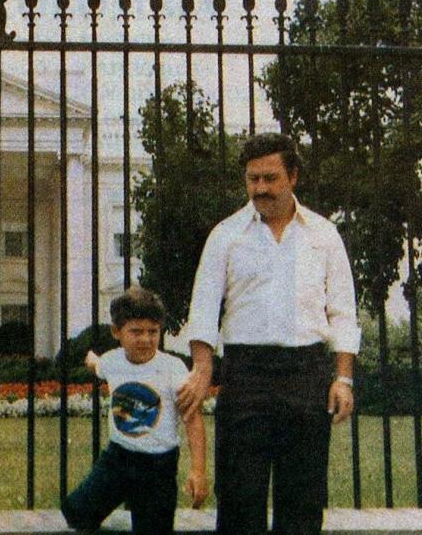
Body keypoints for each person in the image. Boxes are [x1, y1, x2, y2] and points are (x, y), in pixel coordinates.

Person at [178, 132, 360, 534]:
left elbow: (343, 312)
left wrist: (342, 378)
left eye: (270, 178)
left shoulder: (324, 235)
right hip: (246, 377)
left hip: (306, 374)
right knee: (240, 499)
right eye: (252, 179)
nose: (259, 188)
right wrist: (203, 368)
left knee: (303, 500)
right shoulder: (225, 235)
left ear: (292, 176)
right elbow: (204, 308)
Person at [61, 285, 208, 535]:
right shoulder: (112, 361)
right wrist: (89, 358)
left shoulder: (172, 369)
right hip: (117, 459)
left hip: (158, 468)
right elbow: (97, 365)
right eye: (136, 331)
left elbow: (192, 421)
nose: (146, 339)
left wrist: (197, 471)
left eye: (153, 331)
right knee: (76, 514)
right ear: (116, 332)